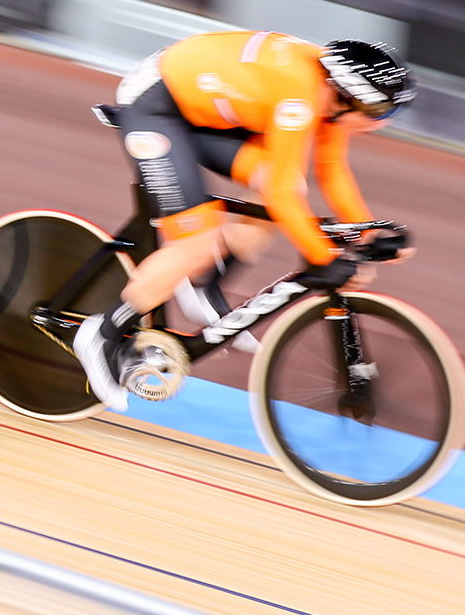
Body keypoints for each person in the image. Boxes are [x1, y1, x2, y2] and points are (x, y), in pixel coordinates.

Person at [74, 33, 415, 411]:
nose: (381, 123)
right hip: (156, 108)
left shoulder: (329, 94)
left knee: (282, 180)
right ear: (349, 97)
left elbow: (330, 170)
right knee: (196, 243)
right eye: (379, 112)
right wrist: (323, 256)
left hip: (203, 107)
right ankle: (100, 334)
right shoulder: (299, 97)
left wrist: (366, 232)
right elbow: (282, 197)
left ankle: (204, 285)